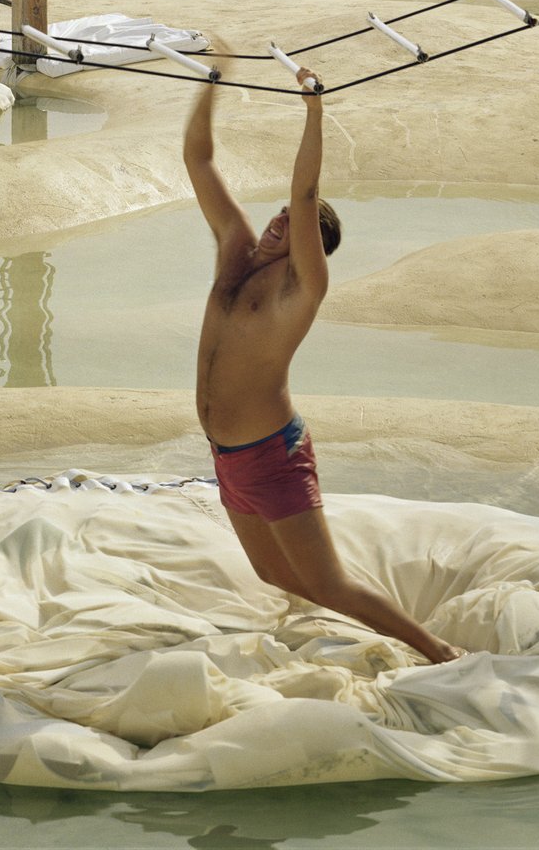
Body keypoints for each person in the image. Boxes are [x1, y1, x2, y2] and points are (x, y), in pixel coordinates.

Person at [185, 78, 460, 665]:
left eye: (295, 224)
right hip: (227, 455)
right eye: (279, 215)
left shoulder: (296, 290)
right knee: (273, 572)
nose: (282, 220)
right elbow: (199, 158)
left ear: (309, 250)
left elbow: (307, 195)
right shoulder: (234, 251)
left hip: (270, 455)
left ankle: (440, 650)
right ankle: (366, 628)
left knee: (327, 584)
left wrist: (313, 111)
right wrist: (211, 79)